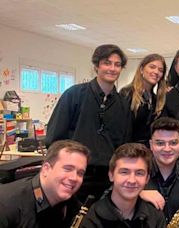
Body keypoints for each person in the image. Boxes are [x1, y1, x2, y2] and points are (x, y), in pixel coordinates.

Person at [45, 44, 132, 200]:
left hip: (106, 180)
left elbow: (123, 145)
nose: (112, 68)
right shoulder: (74, 94)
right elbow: (54, 138)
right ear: (96, 66)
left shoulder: (123, 105)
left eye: (117, 65)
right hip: (74, 176)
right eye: (107, 63)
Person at [0, 140, 89, 228]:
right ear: (46, 169)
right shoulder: (6, 204)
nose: (74, 178)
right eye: (68, 169)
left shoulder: (73, 206)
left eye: (80, 173)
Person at [80, 143, 166, 228]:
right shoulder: (91, 217)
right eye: (124, 172)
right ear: (111, 175)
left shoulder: (156, 218)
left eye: (139, 173)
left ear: (147, 179)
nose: (132, 180)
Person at [139, 117, 179, 227]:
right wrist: (136, 193)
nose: (167, 149)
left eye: (173, 143)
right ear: (151, 145)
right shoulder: (136, 174)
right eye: (160, 143)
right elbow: (106, 202)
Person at [120, 54, 168, 146]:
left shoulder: (157, 100)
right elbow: (122, 129)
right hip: (130, 150)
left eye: (160, 70)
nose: (156, 72)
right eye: (152, 67)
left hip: (149, 151)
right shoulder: (127, 93)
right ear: (141, 69)